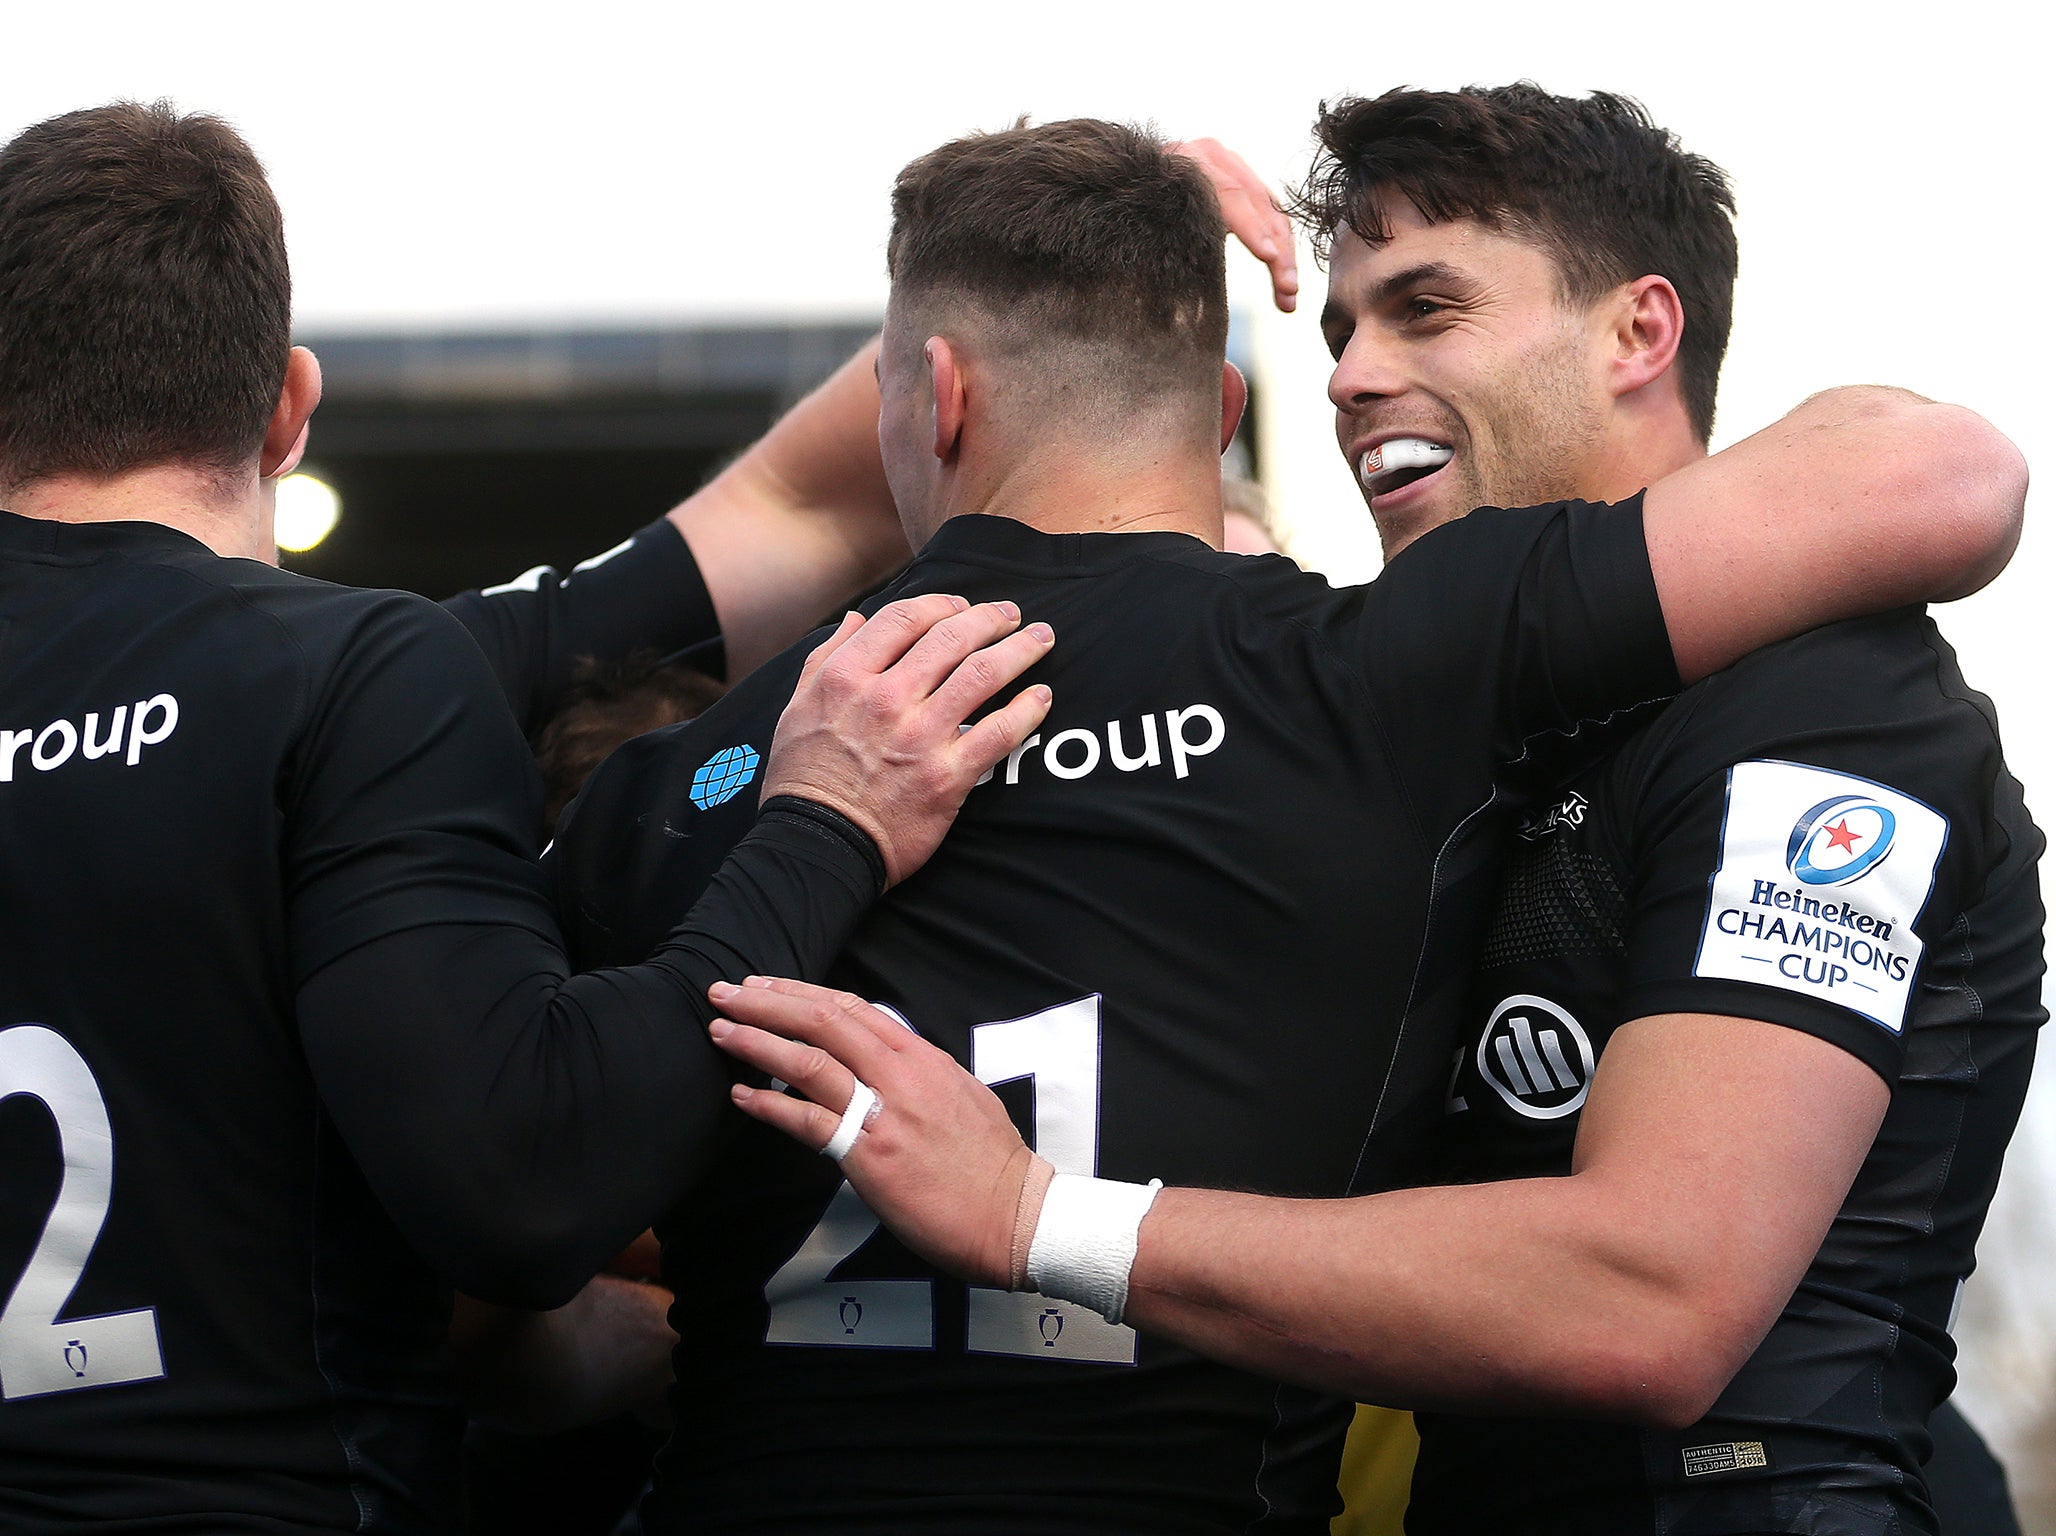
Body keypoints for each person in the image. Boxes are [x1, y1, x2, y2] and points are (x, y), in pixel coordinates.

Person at [552, 117, 2026, 1533]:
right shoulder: (1436, 706)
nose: (1355, 378)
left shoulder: (1815, 695)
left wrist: (1034, 1215)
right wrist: (1092, 272)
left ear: (1641, 330)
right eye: (1333, 332)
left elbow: (1655, 1299)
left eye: (1425, 309)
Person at [0, 101, 1052, 1533]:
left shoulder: (359, 678)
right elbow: (528, 1180)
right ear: (291, 407)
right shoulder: (348, 674)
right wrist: (821, 826)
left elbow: (779, 516)